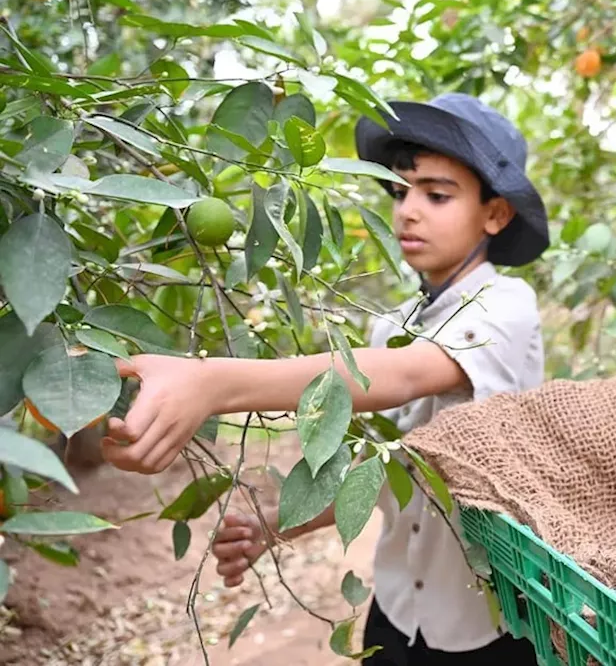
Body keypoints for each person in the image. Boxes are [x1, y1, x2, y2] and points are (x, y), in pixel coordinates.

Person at [101, 93, 548, 664]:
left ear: (495, 214)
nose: (408, 210)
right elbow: (382, 467)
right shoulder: (394, 325)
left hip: (484, 624)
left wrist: (214, 383)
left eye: (437, 195)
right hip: (395, 610)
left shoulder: (507, 305)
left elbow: (408, 375)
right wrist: (278, 527)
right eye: (400, 191)